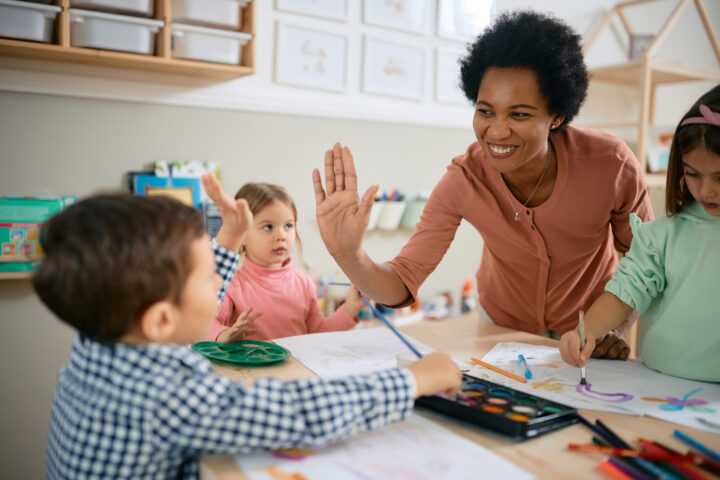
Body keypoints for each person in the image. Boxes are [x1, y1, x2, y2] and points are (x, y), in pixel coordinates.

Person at [37, 173, 462, 479]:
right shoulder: (165, 398)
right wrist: (408, 381)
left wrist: (226, 240)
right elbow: (296, 413)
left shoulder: (101, 342)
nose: (221, 279)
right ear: (161, 320)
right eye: (209, 276)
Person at [312, 10, 653, 359]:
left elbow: (646, 262)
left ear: (557, 116)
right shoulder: (464, 179)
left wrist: (611, 327)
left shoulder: (610, 165)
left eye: (519, 114)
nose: (497, 131)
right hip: (502, 328)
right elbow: (400, 283)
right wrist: (349, 254)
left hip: (590, 329)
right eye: (486, 111)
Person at [559, 86, 720, 382]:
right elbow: (624, 292)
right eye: (693, 174)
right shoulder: (662, 236)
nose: (707, 190)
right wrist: (585, 333)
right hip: (656, 383)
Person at [206, 182, 364, 342]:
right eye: (268, 227)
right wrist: (223, 334)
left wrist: (350, 308)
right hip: (250, 368)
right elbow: (207, 324)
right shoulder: (230, 284)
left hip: (298, 367)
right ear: (243, 235)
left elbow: (318, 333)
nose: (281, 235)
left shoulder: (304, 284)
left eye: (288, 225)